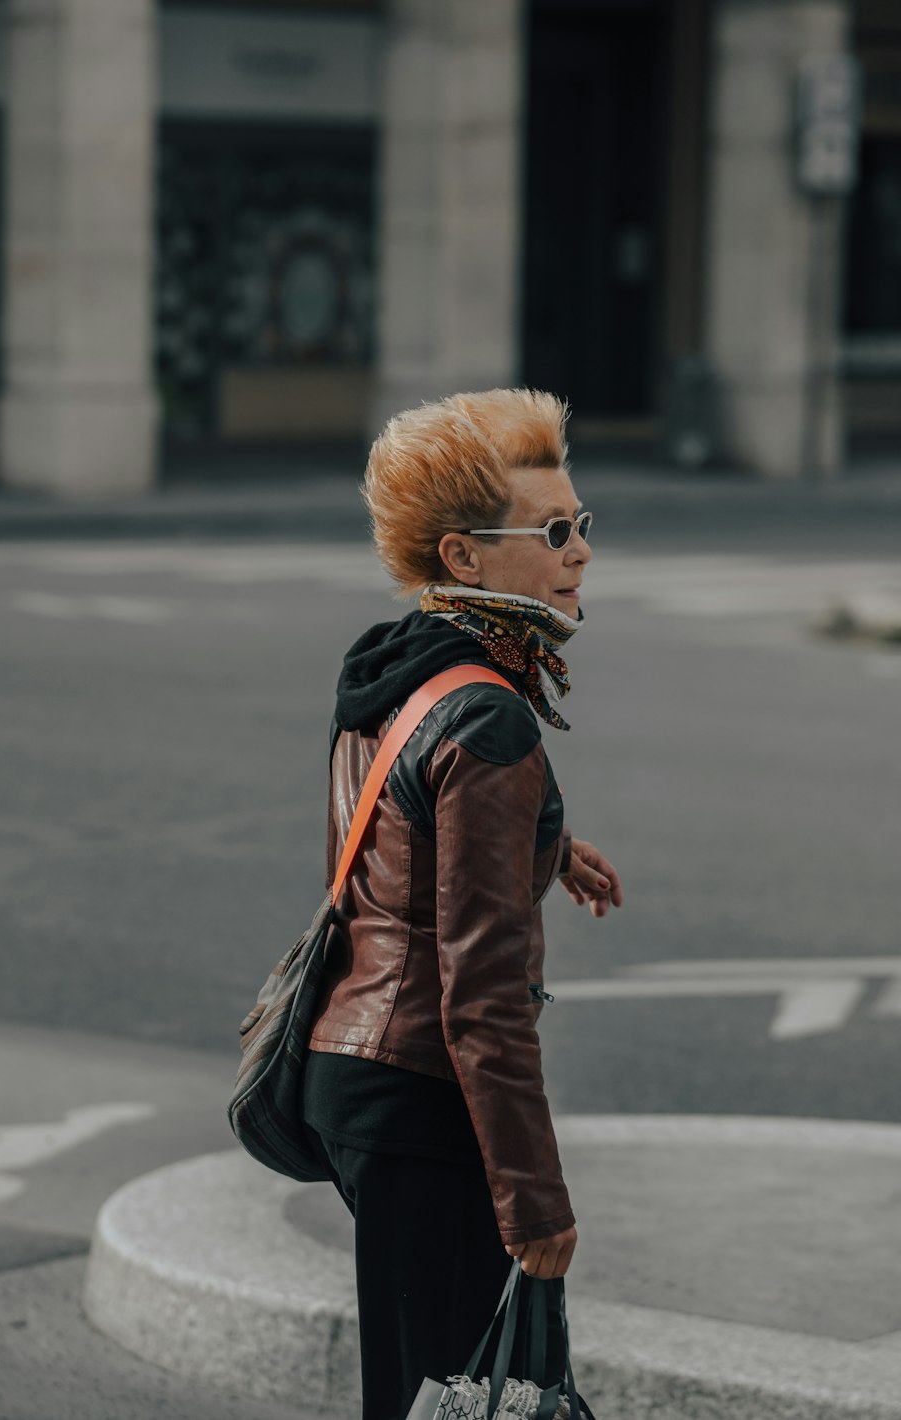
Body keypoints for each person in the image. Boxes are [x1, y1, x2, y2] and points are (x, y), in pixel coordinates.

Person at [302, 388, 623, 1420]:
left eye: (583, 525)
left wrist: (546, 842)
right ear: (464, 559)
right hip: (419, 1097)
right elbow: (480, 995)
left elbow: (404, 826)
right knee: (436, 1401)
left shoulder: (409, 669)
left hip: (355, 1073)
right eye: (553, 531)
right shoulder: (490, 721)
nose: (578, 552)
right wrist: (536, 1204)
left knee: (426, 1391)